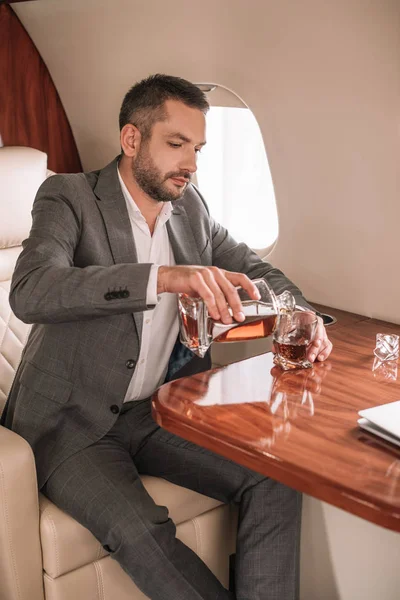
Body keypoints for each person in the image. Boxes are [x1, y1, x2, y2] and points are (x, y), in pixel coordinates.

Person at [2, 74, 332, 600]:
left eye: (197, 148)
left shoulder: (191, 208)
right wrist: (161, 278)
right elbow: (32, 290)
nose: (191, 164)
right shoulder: (67, 197)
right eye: (176, 144)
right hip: (73, 423)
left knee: (276, 476)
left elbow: (252, 266)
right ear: (132, 140)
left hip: (158, 411)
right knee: (143, 532)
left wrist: (302, 314)